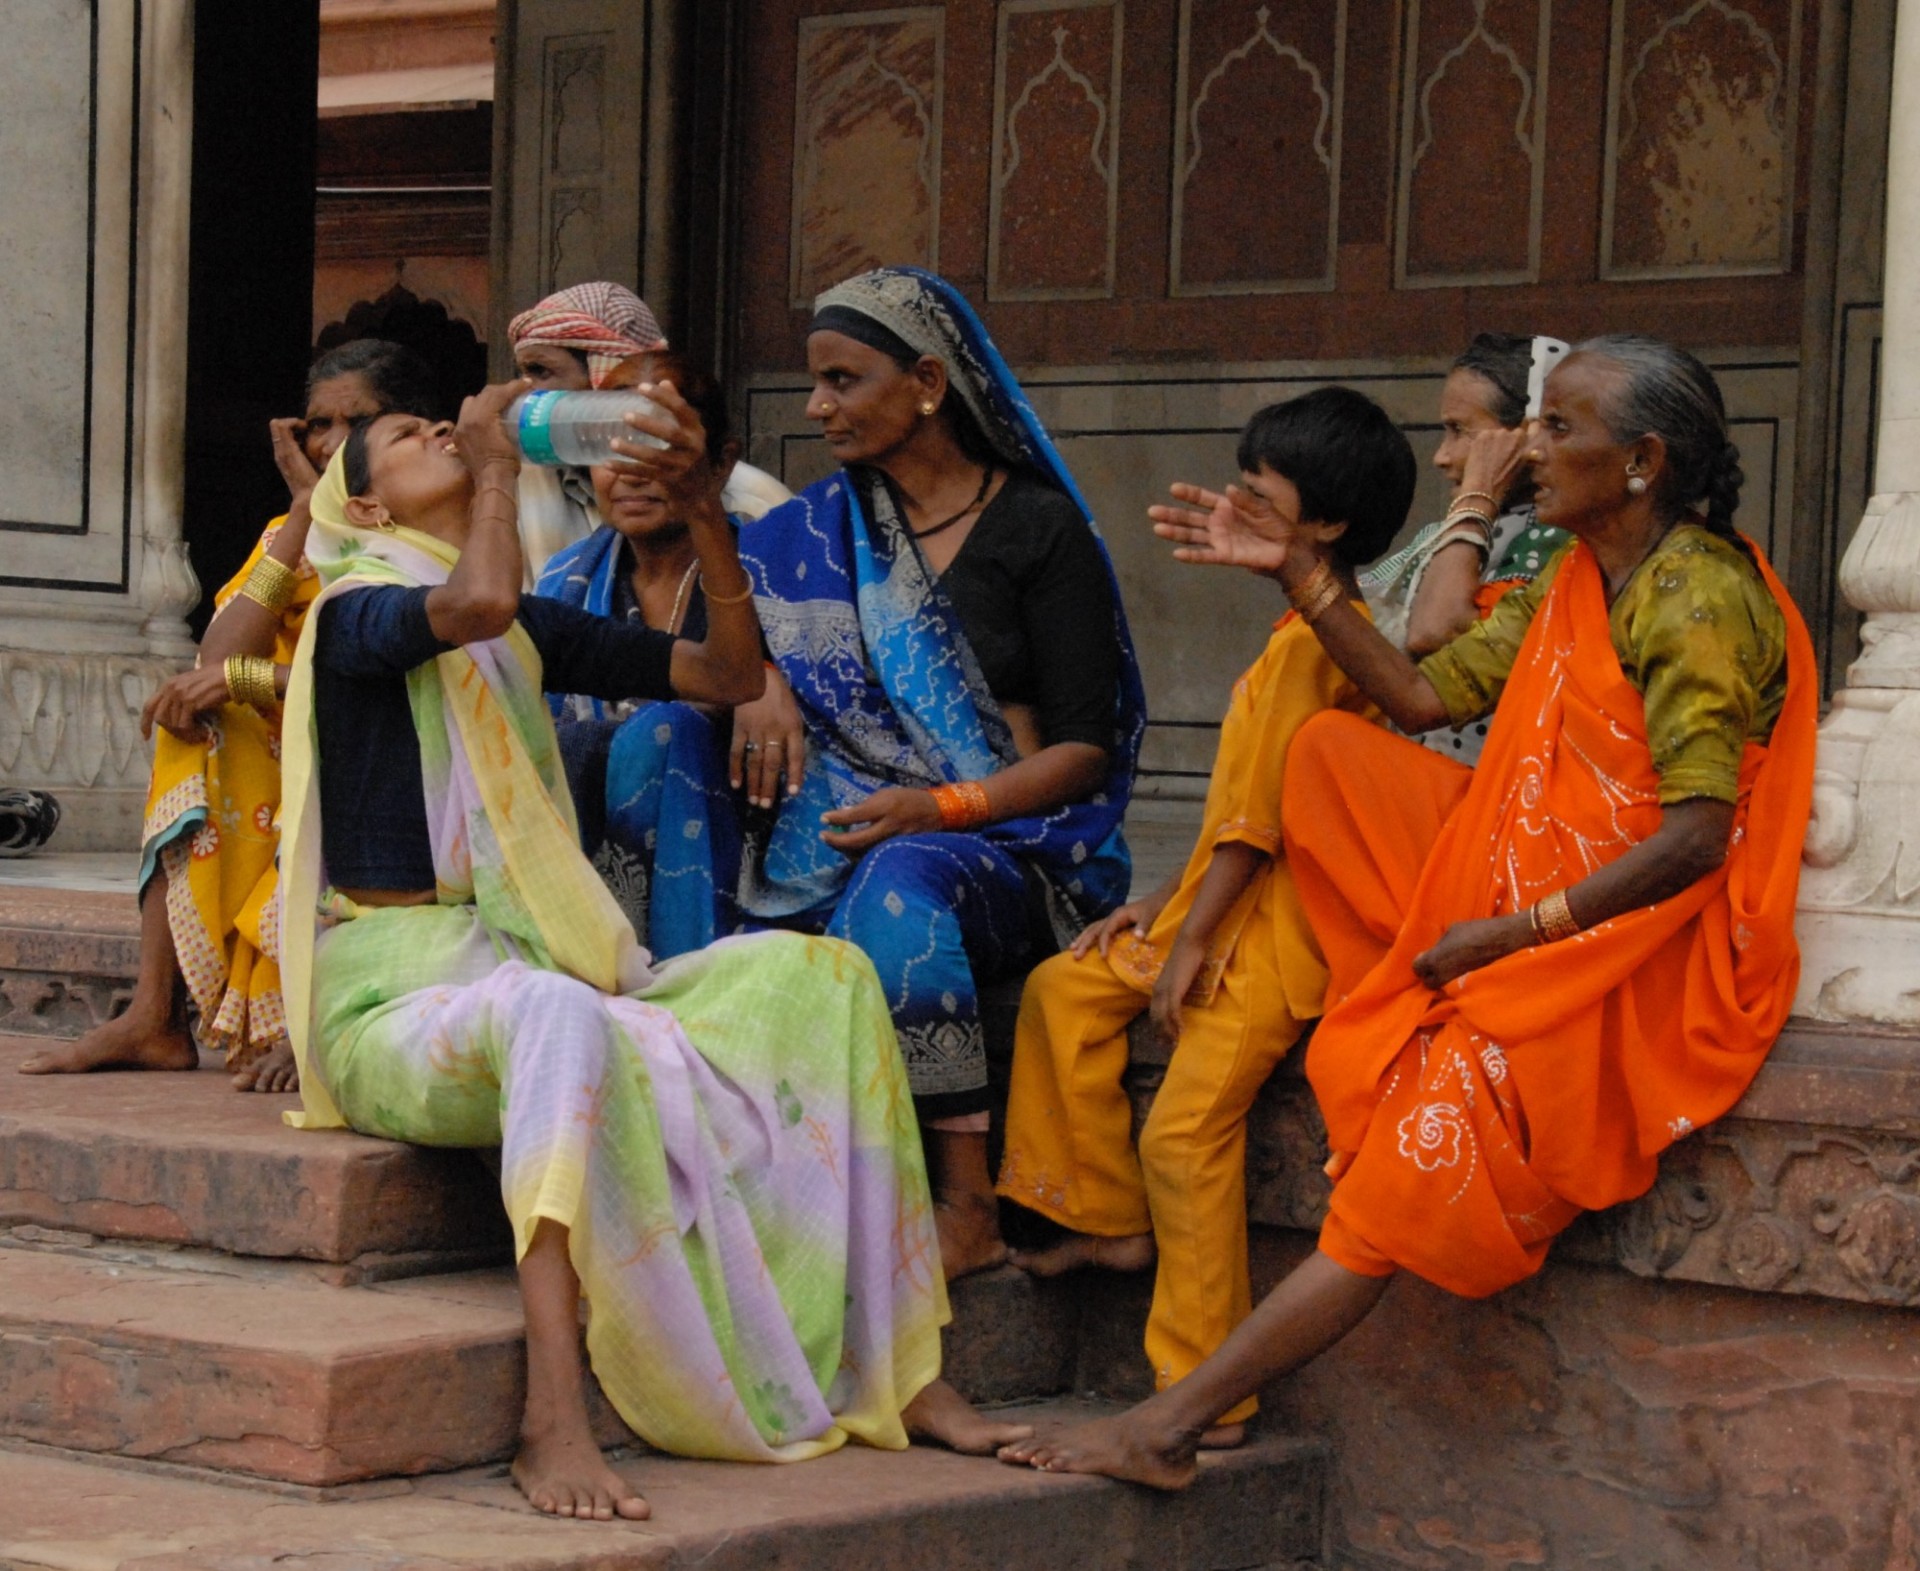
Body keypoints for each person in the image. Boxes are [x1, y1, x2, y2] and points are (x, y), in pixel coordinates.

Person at [999, 335, 1816, 1487]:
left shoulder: (1697, 594)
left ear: (1643, 461)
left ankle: (1170, 1423)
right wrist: (1299, 577)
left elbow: (1692, 836)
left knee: (1400, 1172)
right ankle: (1429, 998)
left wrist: (1508, 933)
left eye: (1561, 428)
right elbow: (1421, 693)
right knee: (1329, 749)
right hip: (1521, 894)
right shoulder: (1576, 578)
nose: (1533, 448)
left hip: (1626, 942)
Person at [278, 378, 1027, 1522]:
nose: (438, 426)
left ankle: (905, 1367)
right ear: (368, 511)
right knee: (556, 1014)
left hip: (526, 960)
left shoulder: (513, 626)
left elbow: (724, 674)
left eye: (444, 422)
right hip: (393, 995)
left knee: (818, 977)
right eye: (406, 436)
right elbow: (476, 601)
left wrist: (707, 512)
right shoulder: (357, 612)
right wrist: (492, 467)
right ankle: (554, 1415)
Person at [995, 388, 1414, 1447]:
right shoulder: (1293, 636)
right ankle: (1098, 1216)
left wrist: (1188, 940)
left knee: (1185, 1134)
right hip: (1216, 905)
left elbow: (1261, 825)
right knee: (1066, 986)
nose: (1235, 502)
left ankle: (1207, 1389)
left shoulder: (1333, 638)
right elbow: (1235, 802)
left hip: (1274, 935)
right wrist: (1160, 907)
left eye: (1259, 492)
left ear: (1321, 526)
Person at [737, 266, 1146, 1283]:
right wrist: (760, 685)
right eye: (813, 380)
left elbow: (1084, 745)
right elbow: (730, 633)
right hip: (836, 825)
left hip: (1010, 850)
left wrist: (945, 805)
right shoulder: (813, 534)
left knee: (905, 880)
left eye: (842, 379)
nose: (816, 405)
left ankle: (965, 1200)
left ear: (927, 382)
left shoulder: (1037, 529)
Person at [19, 340, 442, 1092]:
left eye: (358, 421)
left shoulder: (436, 527)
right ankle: (155, 1013)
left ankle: (322, 1011)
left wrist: (243, 677)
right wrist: (302, 517)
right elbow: (218, 656)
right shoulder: (301, 532)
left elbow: (398, 689)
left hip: (405, 766)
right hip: (304, 753)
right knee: (195, 719)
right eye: (319, 423)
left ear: (411, 428)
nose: (331, 443)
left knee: (228, 701)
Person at [533, 352, 767, 955]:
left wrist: (767, 680)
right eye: (612, 448)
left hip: (751, 845)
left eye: (655, 449)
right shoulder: (565, 579)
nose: (630, 472)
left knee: (669, 730)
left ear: (721, 461)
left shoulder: (775, 567)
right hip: (581, 857)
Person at [1362, 333, 1571, 764]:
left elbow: (1433, 632)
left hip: (1489, 787)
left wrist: (1479, 490)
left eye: (1460, 431)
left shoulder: (1555, 539)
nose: (1441, 455)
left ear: (1528, 436)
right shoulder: (1453, 533)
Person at [506, 281, 790, 581]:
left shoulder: (758, 506)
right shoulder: (520, 483)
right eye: (523, 374)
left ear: (603, 380)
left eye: (540, 372)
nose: (525, 395)